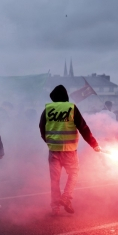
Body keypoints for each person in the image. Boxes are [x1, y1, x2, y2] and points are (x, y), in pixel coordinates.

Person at [39, 85, 101, 215]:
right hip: (69, 149)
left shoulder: (48, 109)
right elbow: (83, 127)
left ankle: (55, 207)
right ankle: (66, 197)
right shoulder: (71, 108)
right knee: (74, 173)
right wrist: (94, 144)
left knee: (54, 180)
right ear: (65, 96)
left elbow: (41, 127)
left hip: (53, 149)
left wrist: (48, 141)